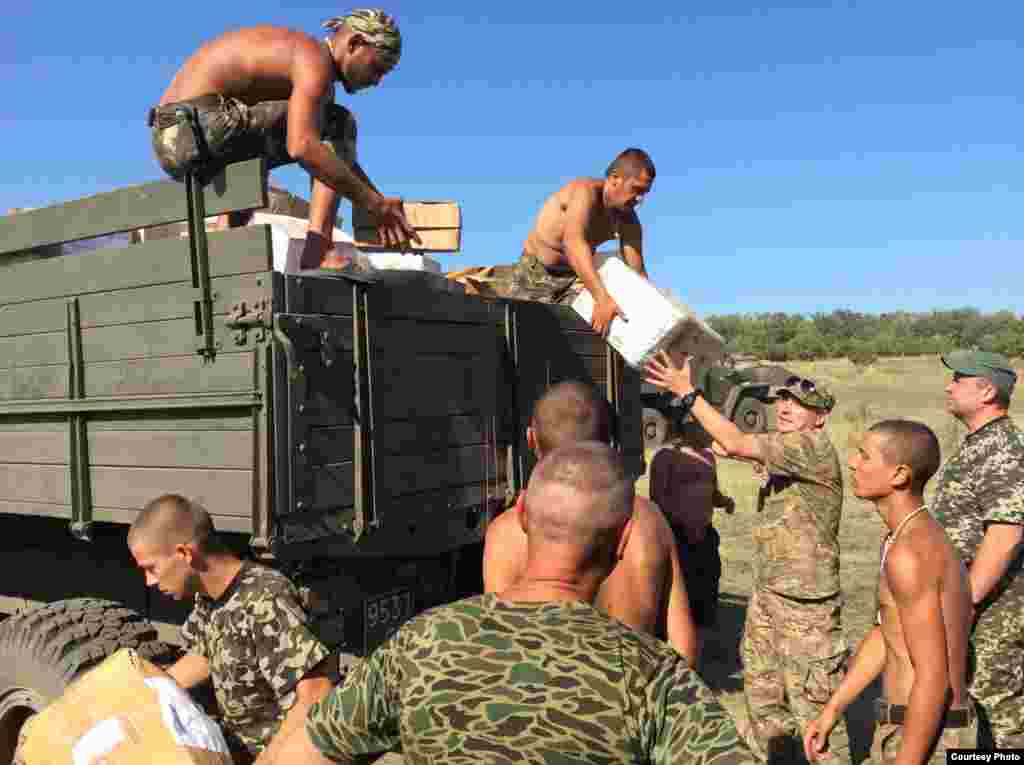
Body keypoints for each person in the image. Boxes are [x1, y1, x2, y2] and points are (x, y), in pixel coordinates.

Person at [271, 442, 756, 765]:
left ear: (521, 515)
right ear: (625, 539)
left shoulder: (421, 644)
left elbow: (304, 755)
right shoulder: (652, 675)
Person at [646, 351, 848, 763]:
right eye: (781, 401)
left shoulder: (808, 447)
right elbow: (727, 445)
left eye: (799, 404)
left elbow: (735, 442)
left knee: (815, 709)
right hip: (770, 592)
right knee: (763, 698)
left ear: (821, 417)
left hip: (805, 603)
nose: (785, 408)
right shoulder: (785, 449)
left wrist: (688, 392)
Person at [148, 9, 418, 268]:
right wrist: (373, 204)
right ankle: (319, 250)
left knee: (260, 162)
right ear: (355, 43)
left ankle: (224, 246)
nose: (376, 80)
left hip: (173, 137)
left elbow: (335, 159)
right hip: (200, 123)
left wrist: (377, 200)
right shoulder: (315, 59)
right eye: (376, 68)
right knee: (338, 122)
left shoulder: (300, 61)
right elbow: (303, 146)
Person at [482, 380, 699, 665]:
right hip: (627, 688)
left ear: (531, 439)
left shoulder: (506, 530)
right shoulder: (648, 520)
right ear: (610, 440)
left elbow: (499, 643)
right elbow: (683, 648)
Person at [805, 420, 976, 764]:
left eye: (865, 456)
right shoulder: (899, 538)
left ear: (899, 475)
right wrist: (834, 708)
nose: (852, 462)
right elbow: (888, 633)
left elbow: (934, 678)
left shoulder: (911, 552)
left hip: (928, 737)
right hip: (906, 729)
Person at [127, 494, 333, 765]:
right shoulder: (210, 596)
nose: (149, 581)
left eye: (151, 568)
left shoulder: (264, 599)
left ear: (185, 554)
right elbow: (204, 655)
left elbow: (316, 694)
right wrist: (142, 697)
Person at [929, 349, 1024, 748]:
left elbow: (1006, 533)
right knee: (981, 719)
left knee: (1003, 721)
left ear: (987, 392)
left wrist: (963, 602)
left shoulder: (1002, 447)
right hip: (976, 605)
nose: (949, 387)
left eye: (959, 379)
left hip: (995, 613)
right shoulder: (981, 443)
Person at [498, 148, 655, 334]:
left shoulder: (629, 220)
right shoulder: (585, 192)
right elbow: (573, 244)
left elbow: (638, 274)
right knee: (517, 332)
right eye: (636, 189)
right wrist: (602, 299)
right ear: (615, 178)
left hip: (576, 280)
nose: (639, 199)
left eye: (645, 193)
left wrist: (656, 311)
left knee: (596, 329)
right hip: (535, 274)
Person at [649, 417, 735, 664]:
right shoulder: (666, 457)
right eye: (699, 425)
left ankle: (698, 655)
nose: (706, 430)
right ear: (685, 426)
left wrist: (724, 501)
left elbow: (712, 492)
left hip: (704, 537)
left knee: (705, 594)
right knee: (678, 596)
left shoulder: (708, 457)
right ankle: (672, 654)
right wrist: (680, 526)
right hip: (678, 538)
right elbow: (657, 499)